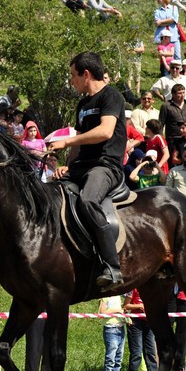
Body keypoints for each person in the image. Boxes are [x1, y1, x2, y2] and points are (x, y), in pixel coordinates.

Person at [49, 52, 126, 290]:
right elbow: (80, 142)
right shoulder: (82, 105)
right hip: (81, 167)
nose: (72, 81)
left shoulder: (111, 96)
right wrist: (68, 165)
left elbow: (105, 131)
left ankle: (112, 268)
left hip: (105, 166)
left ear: (86, 74)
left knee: (87, 200)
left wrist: (66, 141)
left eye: (73, 75)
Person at [124, 288, 157, 371]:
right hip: (136, 322)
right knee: (137, 351)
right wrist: (139, 306)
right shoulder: (133, 289)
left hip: (149, 321)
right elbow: (126, 306)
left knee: (151, 350)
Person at [99, 295, 125, 371]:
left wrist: (125, 318)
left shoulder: (118, 297)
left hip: (120, 327)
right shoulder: (105, 297)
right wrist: (117, 311)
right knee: (111, 355)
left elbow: (121, 311)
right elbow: (102, 312)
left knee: (119, 356)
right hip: (110, 328)